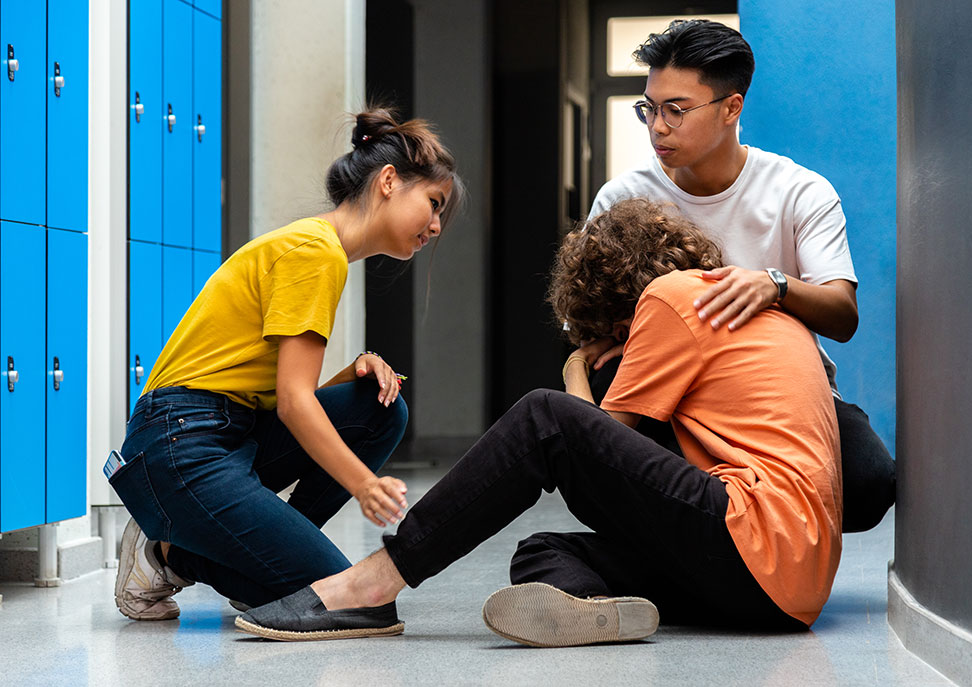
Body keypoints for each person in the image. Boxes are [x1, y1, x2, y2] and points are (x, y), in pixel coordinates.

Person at [233, 199, 842, 646]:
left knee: (544, 417)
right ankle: (599, 609)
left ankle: (372, 585)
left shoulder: (673, 296)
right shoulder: (753, 310)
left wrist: (577, 365)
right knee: (544, 552)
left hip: (753, 536)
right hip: (786, 592)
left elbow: (596, 440)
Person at [110, 108, 462, 622]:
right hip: (180, 444)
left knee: (380, 408)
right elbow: (296, 404)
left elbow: (285, 393)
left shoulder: (320, 249)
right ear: (389, 181)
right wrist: (366, 485)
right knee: (359, 601)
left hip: (229, 430)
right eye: (433, 204)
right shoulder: (315, 252)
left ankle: (261, 561)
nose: (435, 226)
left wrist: (356, 371)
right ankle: (163, 554)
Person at [588, 19, 895, 533]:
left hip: (781, 391)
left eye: (676, 110)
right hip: (670, 395)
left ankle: (744, 532)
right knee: (618, 448)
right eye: (650, 108)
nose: (657, 126)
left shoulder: (799, 191)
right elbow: (592, 327)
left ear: (732, 108)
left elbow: (842, 314)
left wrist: (773, 286)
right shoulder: (622, 199)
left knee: (869, 484)